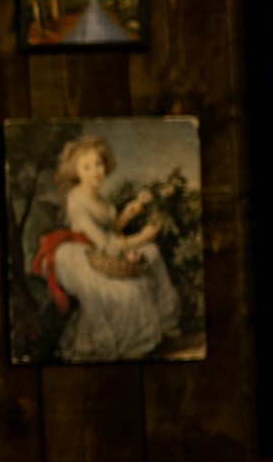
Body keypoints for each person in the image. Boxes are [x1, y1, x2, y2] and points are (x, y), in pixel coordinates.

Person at [27, 135, 182, 362]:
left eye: (99, 164)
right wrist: (140, 236)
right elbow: (106, 244)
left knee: (153, 251)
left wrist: (125, 216)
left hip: (100, 251)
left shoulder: (103, 199)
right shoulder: (76, 200)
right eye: (87, 167)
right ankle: (126, 342)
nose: (95, 171)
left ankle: (165, 319)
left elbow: (112, 232)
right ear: (76, 171)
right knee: (123, 291)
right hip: (77, 256)